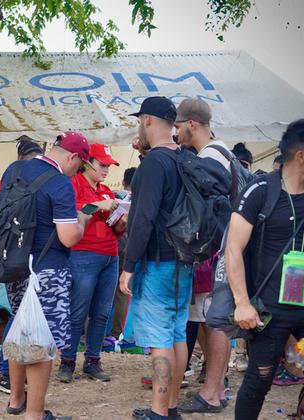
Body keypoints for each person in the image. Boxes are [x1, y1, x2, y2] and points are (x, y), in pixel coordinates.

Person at [227, 118, 304, 418]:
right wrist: (242, 303)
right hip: (269, 311)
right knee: (258, 382)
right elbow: (233, 249)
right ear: (301, 155)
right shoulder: (259, 193)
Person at [1, 131, 90, 420]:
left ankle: (16, 400)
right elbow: (67, 237)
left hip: (13, 267)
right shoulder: (60, 183)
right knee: (42, 340)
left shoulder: (13, 170)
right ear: (73, 156)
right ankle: (35, 413)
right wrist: (82, 221)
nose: (78, 171)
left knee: (21, 329)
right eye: (80, 165)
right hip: (47, 271)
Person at [119, 97, 193, 420]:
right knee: (177, 333)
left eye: (140, 120)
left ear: (147, 120)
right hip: (184, 261)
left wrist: (128, 266)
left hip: (157, 262)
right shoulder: (186, 159)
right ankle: (171, 407)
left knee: (160, 339)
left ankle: (158, 412)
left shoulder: (152, 165)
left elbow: (143, 218)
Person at [171, 99, 233, 414]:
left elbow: (207, 213)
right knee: (213, 319)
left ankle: (211, 392)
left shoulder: (210, 157)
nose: (176, 132)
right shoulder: (223, 153)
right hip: (224, 250)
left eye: (178, 126)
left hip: (218, 252)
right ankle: (216, 388)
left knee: (216, 320)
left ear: (192, 124)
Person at [58, 143, 123, 383]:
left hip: (110, 255)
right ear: (87, 163)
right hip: (83, 254)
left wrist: (122, 220)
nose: (106, 170)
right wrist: (98, 205)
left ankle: (93, 361)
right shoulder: (72, 184)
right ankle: (67, 361)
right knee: (78, 311)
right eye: (102, 165)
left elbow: (115, 229)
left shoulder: (107, 190)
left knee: (102, 312)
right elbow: (69, 213)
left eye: (109, 166)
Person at [0, 136, 45, 394]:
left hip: (8, 254)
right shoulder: (25, 175)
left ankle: (8, 374)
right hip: (24, 254)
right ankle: (4, 371)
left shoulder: (6, 177)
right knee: (22, 315)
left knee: (20, 313)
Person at [107, 167, 136, 340]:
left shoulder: (114, 197)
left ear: (124, 182)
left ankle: (92, 332)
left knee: (104, 290)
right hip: (130, 248)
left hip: (112, 245)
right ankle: (116, 334)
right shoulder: (142, 199)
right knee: (122, 292)